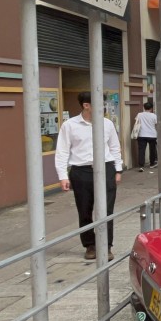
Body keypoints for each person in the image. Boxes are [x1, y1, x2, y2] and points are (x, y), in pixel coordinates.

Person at [55, 92, 123, 260]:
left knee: (106, 209)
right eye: (99, 104)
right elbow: (62, 151)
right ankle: (90, 245)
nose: (104, 107)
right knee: (85, 210)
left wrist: (118, 169)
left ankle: (106, 246)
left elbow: (115, 147)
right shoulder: (69, 125)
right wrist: (62, 175)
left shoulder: (107, 124)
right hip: (81, 171)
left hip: (106, 169)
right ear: (86, 105)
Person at [134, 101, 158, 172]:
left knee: (141, 150)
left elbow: (136, 122)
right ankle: (152, 164)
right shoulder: (154, 115)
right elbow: (156, 124)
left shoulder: (139, 114)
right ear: (151, 108)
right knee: (152, 149)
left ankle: (141, 166)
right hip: (152, 135)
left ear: (144, 108)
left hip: (141, 134)